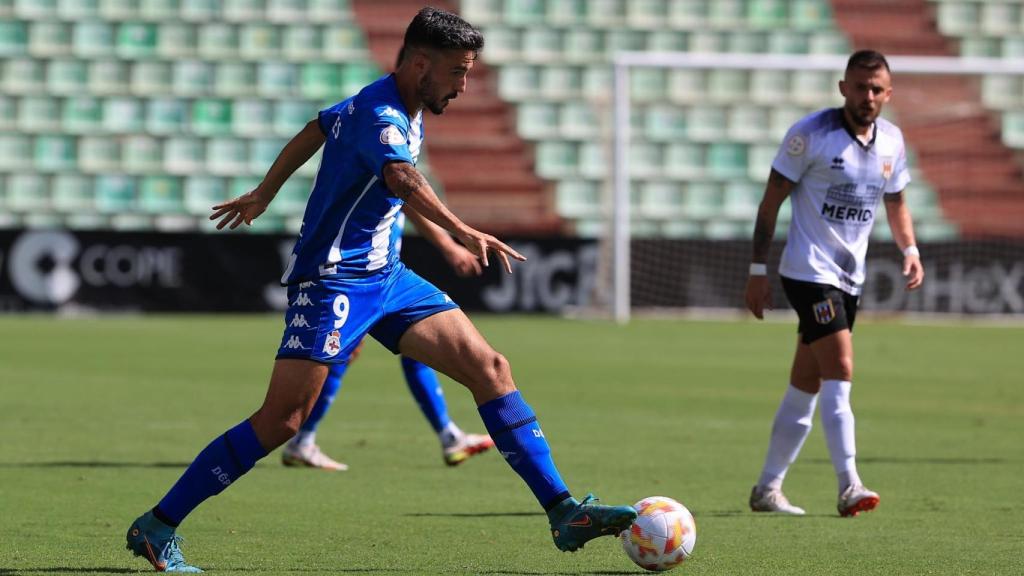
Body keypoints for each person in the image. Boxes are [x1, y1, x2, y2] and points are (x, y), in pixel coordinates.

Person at [125, 8, 635, 573]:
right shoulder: (381, 114)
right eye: (457, 73)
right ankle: (157, 526)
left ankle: (563, 511)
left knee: (491, 368)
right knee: (282, 421)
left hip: (387, 277)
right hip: (334, 280)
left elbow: (318, 127)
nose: (464, 87)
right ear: (420, 65)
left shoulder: (398, 102)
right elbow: (401, 178)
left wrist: (267, 190)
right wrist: (460, 229)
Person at [744, 50, 924, 518]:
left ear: (888, 93)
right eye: (859, 86)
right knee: (840, 366)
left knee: (805, 383)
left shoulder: (891, 142)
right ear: (843, 87)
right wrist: (758, 270)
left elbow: (898, 202)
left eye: (876, 89)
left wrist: (910, 250)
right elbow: (770, 203)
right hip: (808, 272)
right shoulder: (811, 136)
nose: (867, 96)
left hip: (850, 278)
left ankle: (767, 487)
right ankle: (850, 485)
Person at [281, 209, 495, 471]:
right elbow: (413, 202)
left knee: (412, 351)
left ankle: (449, 435)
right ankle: (299, 438)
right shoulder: (384, 170)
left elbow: (408, 203)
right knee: (342, 353)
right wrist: (449, 246)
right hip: (365, 278)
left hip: (378, 275)